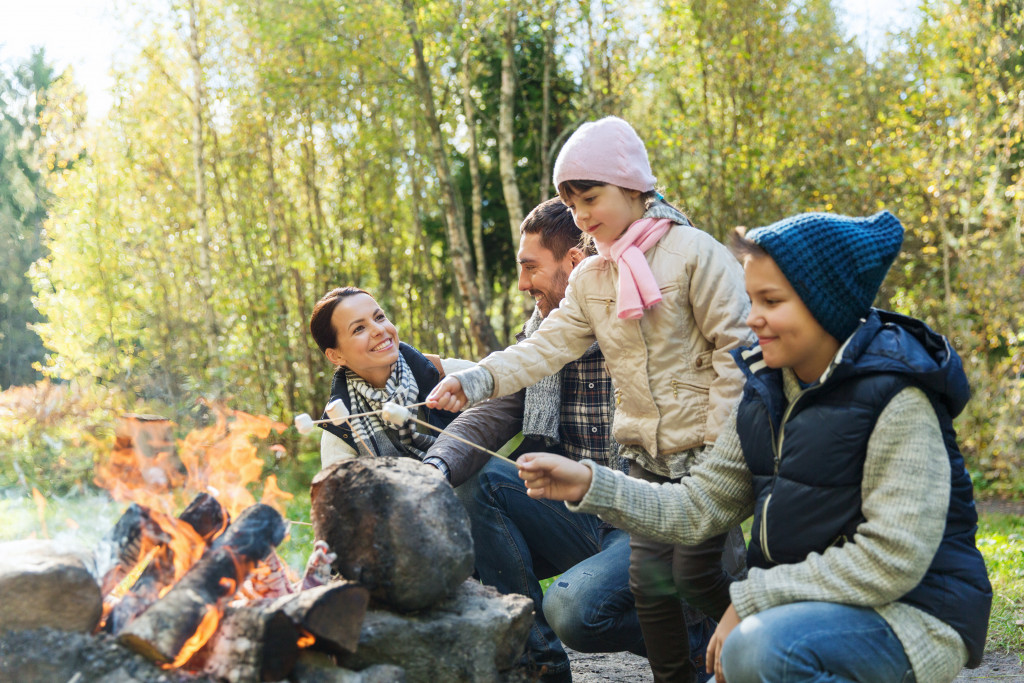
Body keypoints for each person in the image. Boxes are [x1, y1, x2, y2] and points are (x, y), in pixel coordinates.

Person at [517, 210, 993, 683]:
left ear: (824, 303)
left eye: (770, 301)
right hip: (812, 607)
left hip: (914, 616)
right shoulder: (767, 393)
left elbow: (889, 560)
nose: (752, 319)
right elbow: (699, 505)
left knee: (756, 649)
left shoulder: (898, 399)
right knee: (754, 648)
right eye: (750, 300)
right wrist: (590, 483)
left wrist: (750, 600)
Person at [428, 116, 754, 683]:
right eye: (571, 203)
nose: (580, 215)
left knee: (702, 582)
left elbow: (738, 349)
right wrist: (475, 379)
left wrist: (720, 443)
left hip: (706, 467)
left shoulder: (694, 254)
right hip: (643, 470)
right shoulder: (592, 280)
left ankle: (761, 629)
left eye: (591, 197)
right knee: (653, 596)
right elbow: (543, 347)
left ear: (634, 187)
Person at [308, 286, 468, 469]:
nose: (378, 329)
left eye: (379, 317)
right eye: (359, 328)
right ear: (336, 356)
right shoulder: (341, 428)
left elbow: (498, 384)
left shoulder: (439, 372)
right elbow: (340, 493)